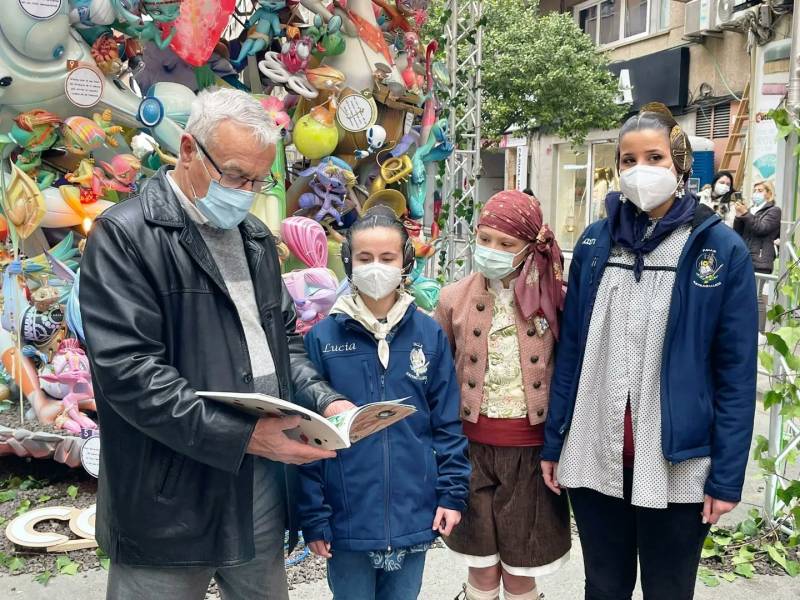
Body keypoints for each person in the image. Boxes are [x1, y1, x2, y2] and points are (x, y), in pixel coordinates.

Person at [80, 88, 354, 600]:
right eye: (234, 175)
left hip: (258, 484)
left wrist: (323, 399)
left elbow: (283, 343)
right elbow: (131, 374)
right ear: (188, 149)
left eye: (258, 179)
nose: (246, 190)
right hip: (167, 490)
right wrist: (244, 437)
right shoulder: (125, 236)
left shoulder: (253, 238)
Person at [541, 104, 758, 600]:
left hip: (678, 465)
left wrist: (726, 478)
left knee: (669, 589)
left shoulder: (720, 250)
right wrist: (555, 441)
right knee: (604, 587)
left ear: (679, 165)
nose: (640, 170)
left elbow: (736, 374)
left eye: (654, 157)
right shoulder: (598, 242)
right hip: (596, 456)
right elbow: (572, 349)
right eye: (628, 159)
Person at [298, 206, 471, 600]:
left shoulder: (428, 334)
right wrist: (314, 516)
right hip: (346, 522)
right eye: (365, 258)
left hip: (414, 513)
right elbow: (308, 436)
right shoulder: (322, 338)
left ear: (405, 261)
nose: (376, 267)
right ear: (348, 262)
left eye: (387, 258)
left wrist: (451, 494)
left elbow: (446, 423)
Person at [435, 190, 571, 600]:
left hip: (531, 456)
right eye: (485, 238)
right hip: (470, 453)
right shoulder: (452, 298)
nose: (491, 250)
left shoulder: (556, 299)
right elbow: (440, 381)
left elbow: (568, 375)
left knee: (521, 570)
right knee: (481, 568)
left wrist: (562, 444)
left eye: (506, 244)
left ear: (531, 247)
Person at [734, 180, 782, 331]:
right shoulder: (752, 210)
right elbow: (738, 232)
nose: (756, 193)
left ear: (769, 193)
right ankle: (744, 328)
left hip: (761, 259)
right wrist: (739, 216)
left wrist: (746, 214)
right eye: (755, 190)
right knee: (743, 296)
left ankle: (760, 332)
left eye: (760, 190)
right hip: (744, 257)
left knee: (757, 297)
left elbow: (761, 228)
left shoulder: (774, 211)